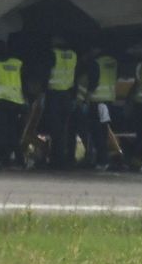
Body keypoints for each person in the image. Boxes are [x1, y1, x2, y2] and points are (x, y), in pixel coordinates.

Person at [0, 40, 26, 169]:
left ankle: (4, 160)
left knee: (2, 133)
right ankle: (20, 160)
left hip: (1, 101)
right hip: (16, 101)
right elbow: (23, 81)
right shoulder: (17, 63)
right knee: (13, 133)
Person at [80, 49, 119, 170]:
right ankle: (103, 160)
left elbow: (93, 82)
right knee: (104, 131)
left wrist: (86, 99)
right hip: (108, 100)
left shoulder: (95, 62)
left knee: (97, 133)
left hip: (97, 101)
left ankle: (102, 161)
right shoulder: (113, 62)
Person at [43, 36, 78, 169]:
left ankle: (56, 160)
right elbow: (75, 73)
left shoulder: (53, 54)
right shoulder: (73, 55)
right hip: (67, 95)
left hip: (54, 95)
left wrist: (42, 92)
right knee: (64, 129)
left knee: (55, 129)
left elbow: (46, 74)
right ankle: (63, 158)